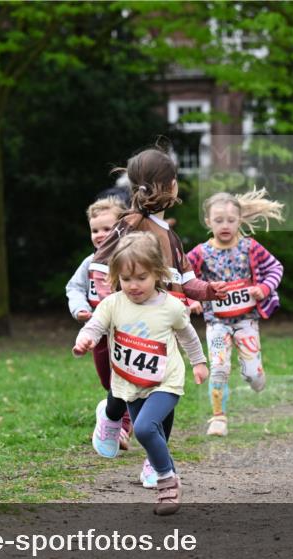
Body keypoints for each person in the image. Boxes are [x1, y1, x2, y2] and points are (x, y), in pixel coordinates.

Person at [87, 146, 227, 488]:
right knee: (129, 389)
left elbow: (185, 280)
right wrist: (106, 314)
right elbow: (97, 266)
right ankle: (110, 416)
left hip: (164, 331)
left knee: (165, 392)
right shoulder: (128, 226)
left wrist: (208, 291)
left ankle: (154, 460)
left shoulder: (171, 237)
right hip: (129, 331)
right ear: (171, 186)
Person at [73, 232, 208, 515]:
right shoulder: (113, 304)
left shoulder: (170, 306)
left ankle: (167, 481)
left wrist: (199, 362)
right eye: (125, 279)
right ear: (116, 277)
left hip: (165, 382)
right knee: (155, 430)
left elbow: (188, 337)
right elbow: (95, 326)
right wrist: (84, 339)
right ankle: (163, 467)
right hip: (129, 382)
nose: (133, 285)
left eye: (141, 278)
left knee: (145, 429)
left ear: (157, 273)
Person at [186, 189, 284, 436]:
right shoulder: (199, 253)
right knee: (218, 367)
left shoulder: (250, 247)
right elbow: (184, 278)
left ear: (239, 220)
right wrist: (191, 298)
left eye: (231, 220)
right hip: (216, 322)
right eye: (218, 221)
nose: (225, 225)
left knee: (252, 375)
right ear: (208, 222)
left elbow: (275, 267)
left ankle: (254, 373)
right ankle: (218, 417)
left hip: (246, 322)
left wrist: (263, 287)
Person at [65, 196, 131, 447]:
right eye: (95, 230)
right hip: (99, 333)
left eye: (107, 228)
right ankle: (114, 414)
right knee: (108, 380)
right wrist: (80, 309)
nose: (100, 234)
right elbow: (74, 287)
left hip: (128, 332)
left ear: (121, 228)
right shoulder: (89, 263)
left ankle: (122, 426)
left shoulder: (130, 261)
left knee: (127, 378)